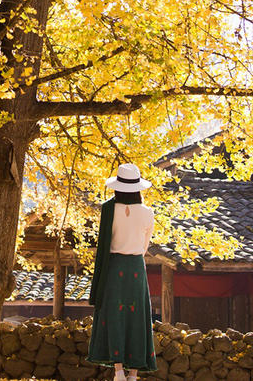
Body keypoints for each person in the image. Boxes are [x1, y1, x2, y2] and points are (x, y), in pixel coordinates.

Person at [87, 163, 157, 381]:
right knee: (137, 317)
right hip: (136, 266)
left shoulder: (108, 210)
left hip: (114, 267)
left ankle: (118, 371)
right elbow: (144, 248)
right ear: (138, 188)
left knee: (115, 315)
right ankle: (133, 373)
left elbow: (104, 244)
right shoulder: (147, 213)